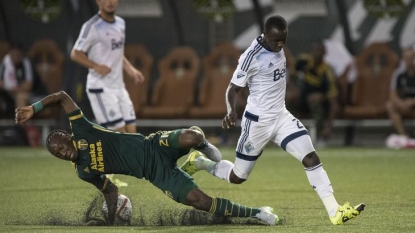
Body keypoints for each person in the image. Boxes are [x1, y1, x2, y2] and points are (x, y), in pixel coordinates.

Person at [181, 15, 365, 225]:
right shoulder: (251, 57)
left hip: (281, 117)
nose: (280, 45)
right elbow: (233, 88)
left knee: (311, 157)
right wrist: (231, 111)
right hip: (257, 123)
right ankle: (200, 162)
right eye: (276, 40)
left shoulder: (278, 46)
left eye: (283, 40)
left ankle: (335, 211)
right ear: (266, 35)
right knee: (237, 177)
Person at [14, 90, 278, 226]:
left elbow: (61, 97)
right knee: (200, 202)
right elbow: (109, 189)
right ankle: (258, 214)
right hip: (155, 174)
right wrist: (109, 220)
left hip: (154, 147)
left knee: (191, 137)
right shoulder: (83, 171)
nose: (62, 152)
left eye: (62, 146)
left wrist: (33, 108)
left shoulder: (81, 129)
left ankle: (203, 149)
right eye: (57, 154)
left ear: (68, 137)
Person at [71, 0, 145, 186]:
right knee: (117, 132)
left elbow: (118, 53)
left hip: (118, 86)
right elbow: (75, 53)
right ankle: (109, 176)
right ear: (98, 2)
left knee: (132, 132)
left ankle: (131, 169)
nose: (110, 2)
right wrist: (95, 66)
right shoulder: (91, 26)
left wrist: (130, 70)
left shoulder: (120, 23)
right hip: (100, 87)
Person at [295, 41, 339, 146]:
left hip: (320, 104)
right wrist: (291, 89)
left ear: (324, 53)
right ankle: (286, 135)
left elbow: (333, 102)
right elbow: (291, 74)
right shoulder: (302, 61)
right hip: (301, 98)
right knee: (285, 100)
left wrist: (328, 127)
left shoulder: (327, 72)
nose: (317, 54)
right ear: (310, 51)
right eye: (315, 50)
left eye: (320, 51)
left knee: (315, 102)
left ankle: (318, 137)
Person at [386, 48, 415, 137]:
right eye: (406, 58)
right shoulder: (398, 74)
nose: (408, 61)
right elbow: (392, 93)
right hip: (403, 103)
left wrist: (411, 102)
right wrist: (400, 103)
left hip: (413, 103)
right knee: (390, 106)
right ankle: (403, 136)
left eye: (410, 58)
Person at [0, 42, 33, 118]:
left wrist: (13, 89)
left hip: (28, 95)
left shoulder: (26, 63)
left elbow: (28, 86)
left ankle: (20, 128)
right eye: (13, 54)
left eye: (18, 55)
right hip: (7, 95)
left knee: (21, 97)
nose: (15, 57)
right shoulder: (5, 63)